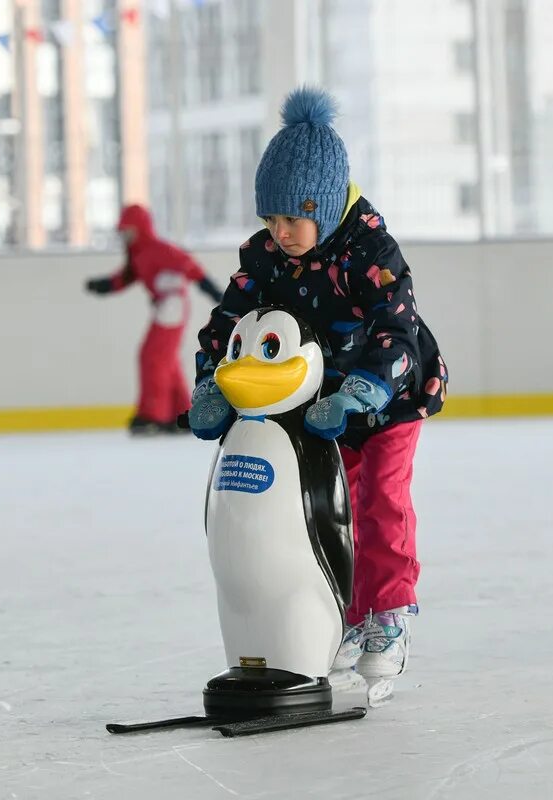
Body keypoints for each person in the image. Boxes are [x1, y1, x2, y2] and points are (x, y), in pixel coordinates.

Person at [189, 86, 448, 690]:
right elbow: (226, 323)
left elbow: (397, 327)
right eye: (270, 218)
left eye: (293, 217)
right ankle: (347, 617)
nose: (281, 232)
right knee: (330, 511)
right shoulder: (264, 257)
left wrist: (364, 391)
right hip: (316, 403)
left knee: (380, 501)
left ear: (327, 205)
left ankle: (387, 617)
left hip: (388, 399)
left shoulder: (370, 252)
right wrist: (211, 385)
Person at [86, 204, 224, 435]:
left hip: (172, 307)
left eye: (130, 232)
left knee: (152, 357)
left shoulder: (158, 249)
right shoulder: (139, 254)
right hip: (166, 307)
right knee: (165, 359)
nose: (126, 237)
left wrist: (215, 293)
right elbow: (126, 277)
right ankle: (180, 413)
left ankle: (154, 415)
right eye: (124, 233)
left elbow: (190, 267)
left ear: (142, 229)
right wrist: (104, 286)